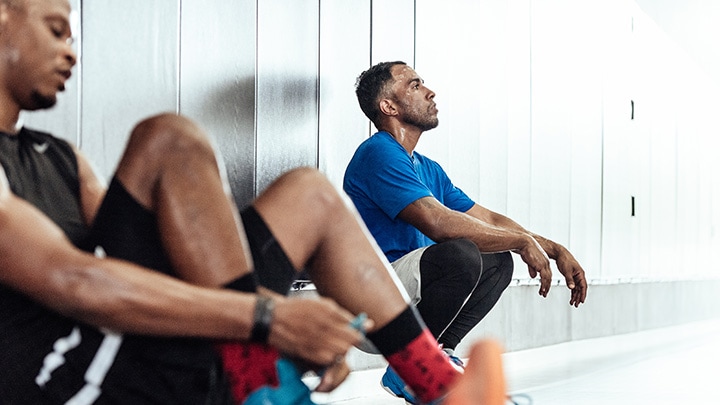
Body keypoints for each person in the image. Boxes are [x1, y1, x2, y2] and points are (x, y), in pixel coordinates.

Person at [0, 2, 504, 404]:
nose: (71, 52)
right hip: (67, 379)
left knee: (201, 150)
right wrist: (268, 319)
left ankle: (436, 384)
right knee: (170, 141)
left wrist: (284, 328)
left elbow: (121, 259)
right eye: (55, 29)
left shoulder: (58, 157)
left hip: (138, 346)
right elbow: (74, 279)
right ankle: (258, 371)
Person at [344, 61, 588, 401]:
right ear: (389, 106)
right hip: (373, 304)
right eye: (414, 86)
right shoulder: (378, 153)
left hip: (407, 297)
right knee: (459, 254)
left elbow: (486, 220)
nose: (429, 91)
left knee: (498, 259)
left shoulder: (428, 168)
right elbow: (438, 224)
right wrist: (521, 241)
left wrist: (551, 247)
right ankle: (409, 369)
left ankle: (436, 358)